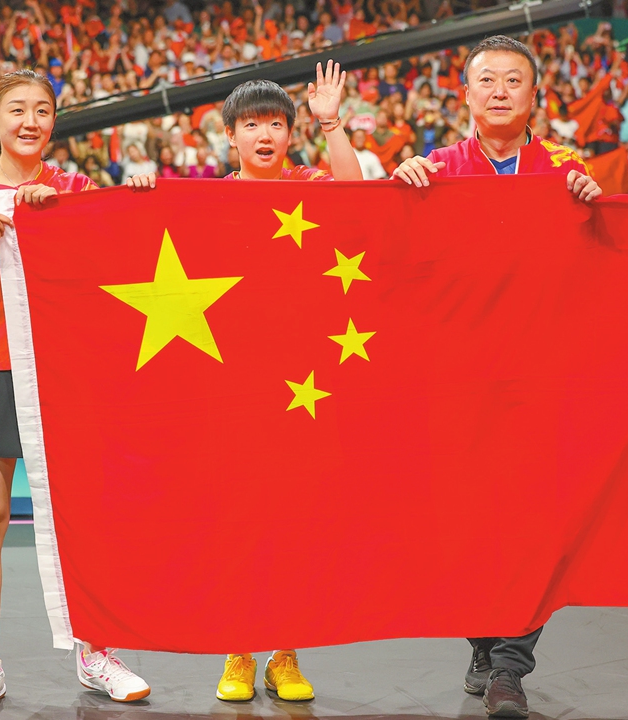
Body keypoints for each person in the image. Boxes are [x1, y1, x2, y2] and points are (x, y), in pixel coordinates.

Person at [0, 70, 155, 712]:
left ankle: (96, 651)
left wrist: (134, 200)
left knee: (86, 523)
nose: (30, 122)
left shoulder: (75, 188)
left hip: (67, 371)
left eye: (42, 111)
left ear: (54, 121)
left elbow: (122, 267)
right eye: (16, 110)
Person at [392, 35, 599, 720]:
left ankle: (511, 668)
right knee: (464, 526)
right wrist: (401, 188)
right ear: (467, 94)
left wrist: (596, 209)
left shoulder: (566, 173)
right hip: (458, 382)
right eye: (488, 80)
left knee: (537, 527)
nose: (501, 90)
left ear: (536, 95)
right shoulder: (437, 168)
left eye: (515, 79)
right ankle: (482, 641)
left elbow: (609, 258)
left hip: (544, 382)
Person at [212, 61, 362, 705]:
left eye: (277, 123)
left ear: (291, 134)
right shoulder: (208, 200)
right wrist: (139, 185)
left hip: (305, 384)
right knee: (241, 519)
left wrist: (332, 123)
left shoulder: (311, 182)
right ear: (231, 137)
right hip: (236, 386)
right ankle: (239, 649)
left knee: (298, 520)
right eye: (252, 125)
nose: (265, 133)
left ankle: (286, 652)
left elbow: (358, 198)